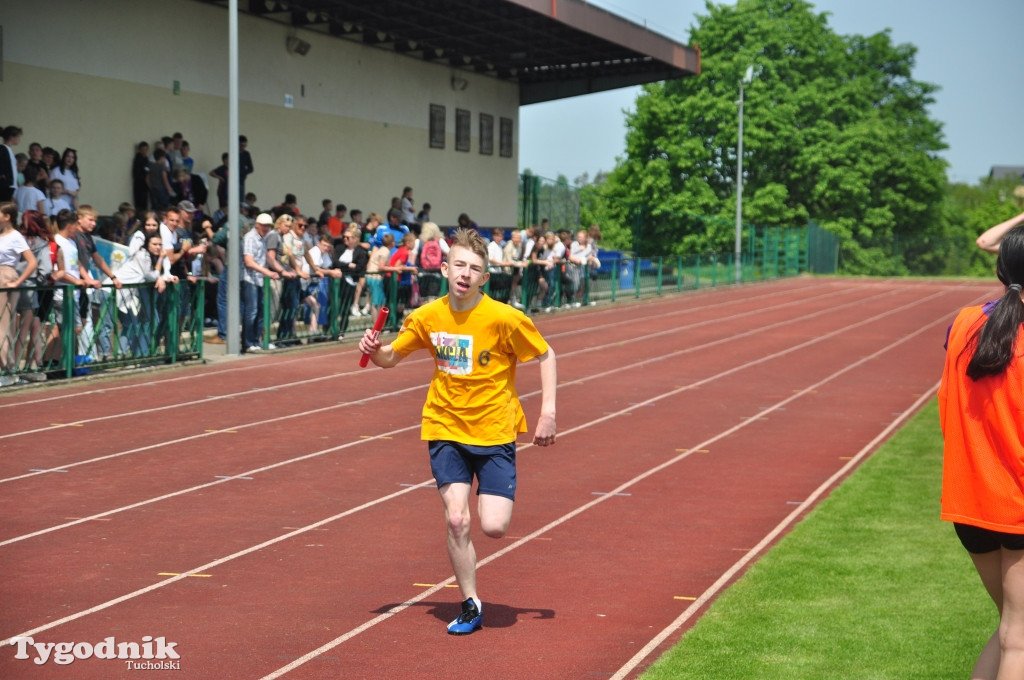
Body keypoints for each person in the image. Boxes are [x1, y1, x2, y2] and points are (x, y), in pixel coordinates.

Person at [357, 227, 557, 636]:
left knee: (494, 527)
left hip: (495, 430)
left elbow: (546, 353)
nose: (465, 273)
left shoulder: (504, 317)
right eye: (459, 265)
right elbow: (392, 356)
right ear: (445, 268)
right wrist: (375, 350)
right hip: (445, 425)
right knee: (456, 519)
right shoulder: (429, 316)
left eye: (475, 269)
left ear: (485, 278)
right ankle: (470, 603)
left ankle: (473, 586)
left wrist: (548, 412)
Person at [939, 222, 1024, 680]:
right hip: (1016, 506)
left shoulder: (965, 324)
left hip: (968, 504)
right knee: (1020, 636)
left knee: (1011, 627)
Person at [0, 201, 38, 385]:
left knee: (4, 325)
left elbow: (32, 262)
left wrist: (17, 282)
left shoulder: (15, 236)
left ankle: (6, 369)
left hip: (5, 276)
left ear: (7, 217)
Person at [241, 213, 279, 352]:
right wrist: (267, 272)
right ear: (257, 224)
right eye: (263, 225)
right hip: (250, 279)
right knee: (252, 311)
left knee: (260, 312)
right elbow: (249, 262)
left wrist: (281, 271)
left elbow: (267, 258)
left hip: (258, 279)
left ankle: (256, 340)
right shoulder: (250, 238)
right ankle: (247, 342)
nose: (266, 228)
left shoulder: (262, 239)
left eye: (268, 226)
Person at [0, 126, 21, 203]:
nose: (19, 139)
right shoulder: (3, 149)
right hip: (6, 185)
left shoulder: (9, 150)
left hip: (11, 185)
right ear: (12, 137)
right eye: (18, 136)